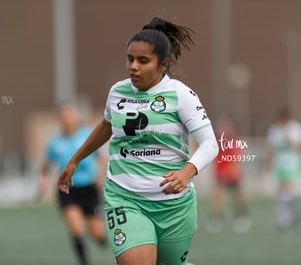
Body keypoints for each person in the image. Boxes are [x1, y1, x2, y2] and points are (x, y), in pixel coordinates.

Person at [57, 17, 218, 265]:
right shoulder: (118, 92)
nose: (133, 66)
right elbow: (106, 127)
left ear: (163, 64)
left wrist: (187, 172)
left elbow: (210, 143)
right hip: (124, 197)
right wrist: (75, 160)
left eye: (143, 61)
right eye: (130, 59)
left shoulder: (180, 95)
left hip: (173, 206)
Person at [41, 102, 107, 265]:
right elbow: (46, 164)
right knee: (76, 230)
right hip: (68, 190)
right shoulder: (55, 142)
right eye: (63, 116)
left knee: (97, 233)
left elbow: (101, 158)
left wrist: (101, 175)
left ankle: (102, 240)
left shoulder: (87, 135)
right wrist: (43, 179)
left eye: (69, 115)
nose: (67, 119)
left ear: (76, 117)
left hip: (89, 189)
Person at [206, 118, 251, 233]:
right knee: (218, 197)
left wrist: (231, 171)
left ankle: (242, 217)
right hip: (221, 175)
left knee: (237, 197)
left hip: (232, 175)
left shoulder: (235, 141)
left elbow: (236, 158)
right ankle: (217, 218)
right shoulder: (218, 141)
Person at [266, 107, 301, 231]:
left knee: (287, 189)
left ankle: (285, 218)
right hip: (280, 163)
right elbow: (271, 148)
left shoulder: (297, 128)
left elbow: (297, 145)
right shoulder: (274, 130)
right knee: (284, 190)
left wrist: (287, 133)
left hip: (292, 162)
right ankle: (295, 212)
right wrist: (267, 164)